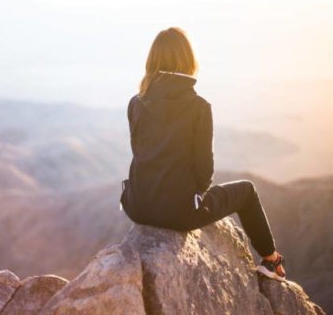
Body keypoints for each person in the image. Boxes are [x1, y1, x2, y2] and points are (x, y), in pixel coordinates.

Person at [119, 26, 286, 281]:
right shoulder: (199, 107)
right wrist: (191, 195)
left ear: (152, 61)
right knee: (247, 191)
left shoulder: (135, 102)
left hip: (137, 205)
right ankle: (271, 260)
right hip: (180, 213)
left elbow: (139, 152)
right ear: (188, 61)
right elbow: (204, 173)